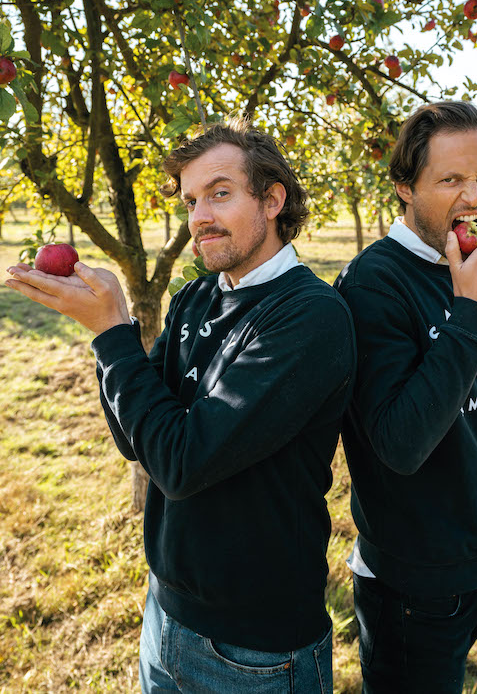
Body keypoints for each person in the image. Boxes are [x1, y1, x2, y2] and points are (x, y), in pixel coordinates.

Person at [6, 118, 356, 693]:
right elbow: (137, 439)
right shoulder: (196, 295)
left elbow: (181, 463)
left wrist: (113, 334)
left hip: (255, 650)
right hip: (166, 615)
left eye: (219, 193)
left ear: (272, 201)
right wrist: (109, 335)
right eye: (192, 200)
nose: (199, 217)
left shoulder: (310, 317)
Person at [334, 101, 477, 693]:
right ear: (404, 187)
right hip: (414, 590)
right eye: (451, 179)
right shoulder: (374, 285)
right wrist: (472, 315)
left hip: (467, 564)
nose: (474, 197)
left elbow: (471, 414)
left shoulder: (458, 267)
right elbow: (400, 444)